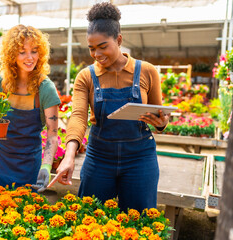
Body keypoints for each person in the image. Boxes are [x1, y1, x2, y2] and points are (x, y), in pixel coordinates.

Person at [48, 2, 169, 213]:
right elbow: (78, 116)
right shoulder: (86, 76)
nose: (97, 54)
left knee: (139, 218)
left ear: (119, 40)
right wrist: (69, 156)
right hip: (99, 156)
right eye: (92, 48)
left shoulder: (147, 71)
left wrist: (162, 122)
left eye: (103, 46)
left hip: (139, 157)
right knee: (90, 216)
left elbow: (159, 114)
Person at [0, 24, 61, 192]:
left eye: (34, 51)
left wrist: (46, 167)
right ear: (11, 54)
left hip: (29, 165)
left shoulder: (45, 89)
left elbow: (52, 136)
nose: (30, 57)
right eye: (22, 52)